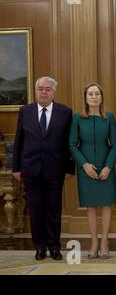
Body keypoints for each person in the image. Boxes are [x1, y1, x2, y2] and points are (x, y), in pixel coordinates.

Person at [12, 76, 74, 260]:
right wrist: (16, 168)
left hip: (55, 169)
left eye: (48, 89)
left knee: (53, 210)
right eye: (40, 89)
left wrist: (70, 168)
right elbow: (18, 141)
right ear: (35, 91)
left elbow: (69, 142)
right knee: (36, 210)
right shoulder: (26, 111)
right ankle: (40, 247)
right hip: (30, 169)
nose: (44, 92)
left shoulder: (65, 112)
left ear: (54, 92)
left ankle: (54, 246)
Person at [69, 83, 116, 259]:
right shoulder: (78, 118)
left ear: (101, 97)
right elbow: (72, 144)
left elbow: (115, 144)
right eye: (90, 94)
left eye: (97, 93)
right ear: (86, 97)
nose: (94, 96)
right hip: (86, 168)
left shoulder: (109, 117)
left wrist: (108, 166)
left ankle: (105, 241)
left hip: (106, 166)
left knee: (106, 205)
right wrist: (84, 164)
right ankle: (94, 242)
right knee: (91, 207)